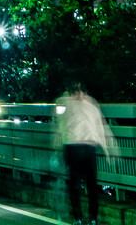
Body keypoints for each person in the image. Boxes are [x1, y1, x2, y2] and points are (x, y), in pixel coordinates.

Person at [55, 80, 114, 225]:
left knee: (74, 184)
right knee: (91, 184)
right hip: (88, 147)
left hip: (72, 147)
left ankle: (78, 217)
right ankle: (92, 218)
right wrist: (107, 149)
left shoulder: (63, 103)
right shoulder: (91, 104)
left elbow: (59, 121)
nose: (80, 94)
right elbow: (100, 127)